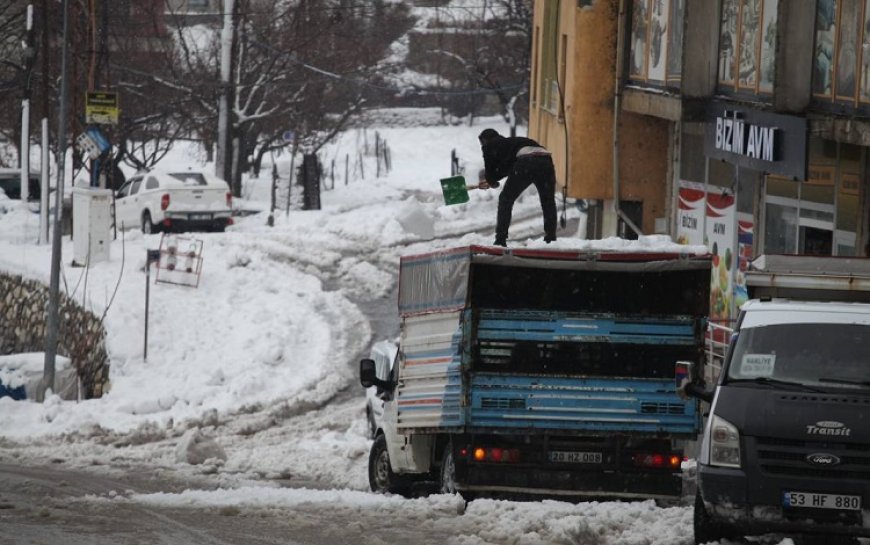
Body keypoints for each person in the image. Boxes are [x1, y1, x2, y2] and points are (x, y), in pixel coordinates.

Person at [477, 128, 557, 247]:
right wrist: (493, 180)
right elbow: (507, 168)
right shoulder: (511, 143)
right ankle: (550, 237)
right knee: (548, 201)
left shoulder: (489, 145)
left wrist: (491, 181)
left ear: (484, 140)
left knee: (505, 199)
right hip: (545, 160)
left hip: (526, 161)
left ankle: (500, 239)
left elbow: (490, 170)